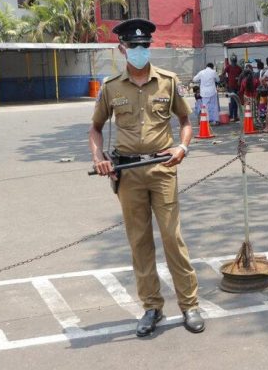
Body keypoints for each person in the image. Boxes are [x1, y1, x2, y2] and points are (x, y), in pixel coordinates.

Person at [88, 18, 205, 337]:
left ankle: (189, 304)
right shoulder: (111, 87)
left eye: (144, 45)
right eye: (133, 46)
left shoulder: (168, 81)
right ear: (122, 48)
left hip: (163, 169)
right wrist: (98, 158)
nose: (139, 50)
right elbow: (96, 127)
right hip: (127, 174)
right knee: (139, 242)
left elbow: (185, 120)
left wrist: (183, 146)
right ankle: (151, 307)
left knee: (172, 237)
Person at [223, 57, 242, 122]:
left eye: (234, 61)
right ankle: (233, 116)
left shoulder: (238, 68)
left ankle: (233, 116)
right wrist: (226, 82)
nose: (233, 62)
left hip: (237, 87)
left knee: (235, 101)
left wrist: (238, 78)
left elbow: (241, 76)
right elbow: (223, 74)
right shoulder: (229, 67)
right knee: (233, 101)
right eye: (233, 61)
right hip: (231, 87)